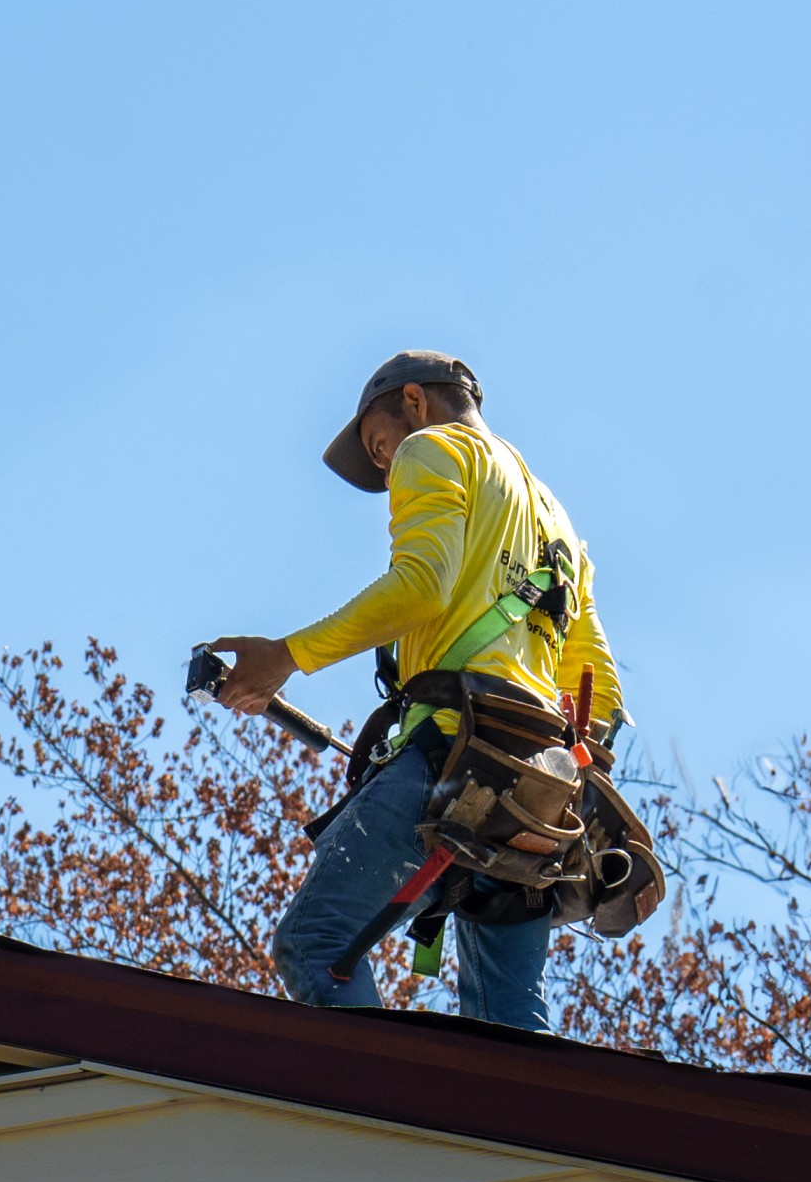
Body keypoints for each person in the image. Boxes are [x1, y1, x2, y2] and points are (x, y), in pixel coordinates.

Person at [207, 351, 622, 1030]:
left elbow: (422, 585)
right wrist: (578, 780)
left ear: (413, 401)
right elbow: (596, 679)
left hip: (452, 755)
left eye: (377, 444)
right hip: (540, 788)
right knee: (508, 1021)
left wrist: (286, 656)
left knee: (315, 944)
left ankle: (369, 1118)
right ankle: (512, 1137)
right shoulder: (555, 519)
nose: (383, 464)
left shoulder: (431, 450)